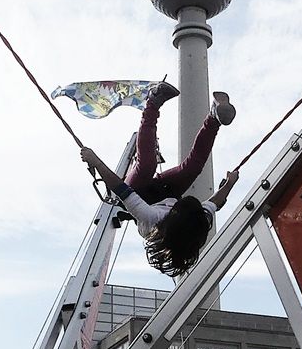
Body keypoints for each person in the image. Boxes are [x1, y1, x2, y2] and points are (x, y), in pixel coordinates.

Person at [79, 82, 239, 277]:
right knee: (193, 168)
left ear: (175, 215)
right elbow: (215, 202)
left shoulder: (151, 218)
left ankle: (152, 103)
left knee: (147, 165)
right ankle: (214, 118)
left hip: (138, 192)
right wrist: (230, 183)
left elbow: (119, 188)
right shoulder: (196, 221)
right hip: (167, 193)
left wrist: (95, 160)